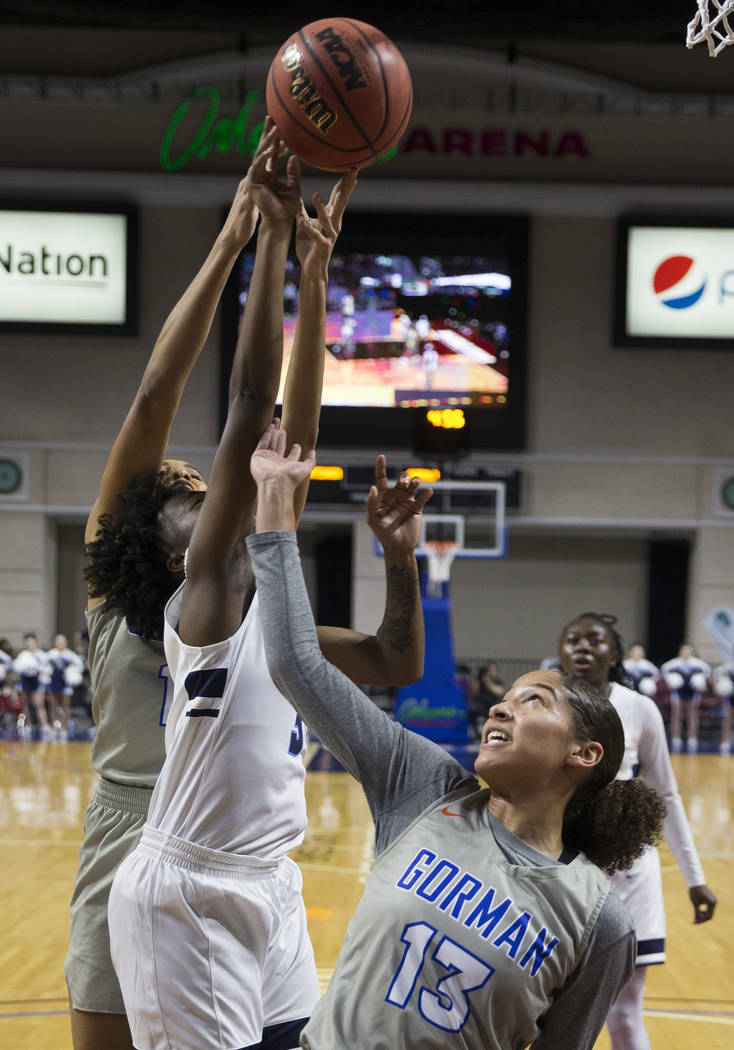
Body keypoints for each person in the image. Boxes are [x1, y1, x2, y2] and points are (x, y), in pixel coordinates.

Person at [67, 122, 386, 1050]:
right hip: (139, 831)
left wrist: (309, 272)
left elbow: (285, 429)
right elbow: (155, 395)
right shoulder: (115, 572)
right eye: (192, 494)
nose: (210, 498)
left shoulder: (239, 605)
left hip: (237, 851)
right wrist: (236, 239)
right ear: (158, 533)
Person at [241, 424, 667, 1050]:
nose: (501, 706)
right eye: (506, 694)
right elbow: (297, 665)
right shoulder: (426, 787)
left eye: (533, 700)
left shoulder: (600, 922)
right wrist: (277, 501)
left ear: (584, 754)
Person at [559, 612, 717, 1050]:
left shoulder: (639, 708)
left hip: (628, 873)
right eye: (573, 639)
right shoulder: (544, 704)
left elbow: (666, 795)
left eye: (595, 639)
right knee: (550, 1013)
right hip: (559, 869)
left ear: (615, 651)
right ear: (560, 651)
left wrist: (696, 879)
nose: (583, 647)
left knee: (624, 1015)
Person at [661, 643, 712, 753]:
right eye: (684, 651)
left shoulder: (698, 664)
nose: (686, 653)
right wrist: (671, 679)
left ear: (692, 652)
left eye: (689, 651)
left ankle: (692, 738)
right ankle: (676, 738)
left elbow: (707, 671)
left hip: (693, 692)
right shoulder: (674, 663)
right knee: (676, 715)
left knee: (692, 715)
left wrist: (700, 680)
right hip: (678, 692)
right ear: (680, 652)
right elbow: (663, 669)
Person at [45, 632, 85, 736]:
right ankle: (53, 727)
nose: (61, 643)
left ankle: (64, 728)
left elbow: (80, 665)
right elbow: (43, 667)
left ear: (66, 642)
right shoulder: (50, 654)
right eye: (59, 641)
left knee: (65, 706)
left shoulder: (70, 654)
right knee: (53, 706)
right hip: (53, 683)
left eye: (63, 641)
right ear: (55, 642)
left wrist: (72, 673)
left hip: (65, 685)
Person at [12, 632, 51, 734]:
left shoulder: (41, 654)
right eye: (27, 643)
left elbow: (48, 669)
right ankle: (28, 725)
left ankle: (44, 725)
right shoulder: (23, 655)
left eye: (31, 643)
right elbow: (16, 668)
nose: (30, 645)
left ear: (35, 642)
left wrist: (37, 668)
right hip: (26, 681)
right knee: (26, 704)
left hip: (37, 680)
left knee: (39, 704)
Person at [712, 660, 733, 754]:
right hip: (730, 697)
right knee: (727, 719)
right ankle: (725, 742)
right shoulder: (727, 666)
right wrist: (718, 687)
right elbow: (715, 675)